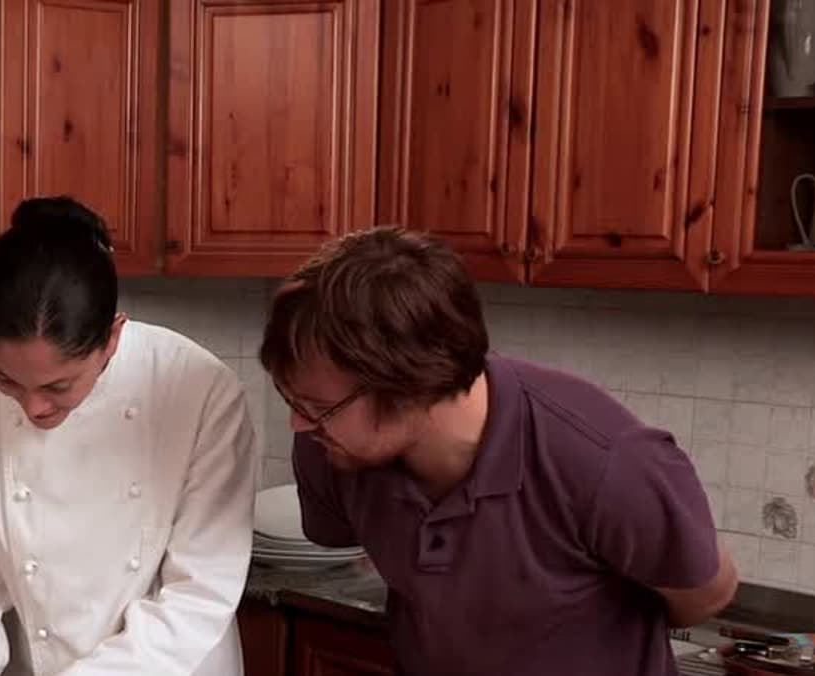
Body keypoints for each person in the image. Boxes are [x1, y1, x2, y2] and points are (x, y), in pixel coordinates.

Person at [258, 227, 738, 675]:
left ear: (409, 386)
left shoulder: (604, 460)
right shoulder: (332, 447)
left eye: (318, 407)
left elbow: (706, 594)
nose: (299, 423)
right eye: (292, 399)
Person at [0, 196, 257, 676]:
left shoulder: (199, 391)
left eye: (59, 386)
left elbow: (196, 597)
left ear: (112, 338)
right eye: (7, 380)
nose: (33, 407)